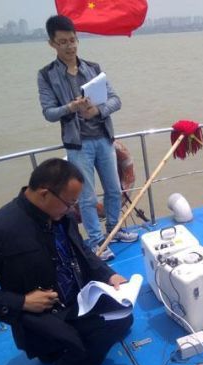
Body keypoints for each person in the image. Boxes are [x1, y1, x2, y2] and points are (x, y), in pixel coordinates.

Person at [0, 159, 134, 365]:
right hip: (41, 315)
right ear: (45, 194)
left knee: (124, 315)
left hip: (78, 300)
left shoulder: (62, 216)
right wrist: (22, 302)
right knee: (83, 339)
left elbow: (83, 252)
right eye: (69, 202)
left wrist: (109, 276)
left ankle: (73, 342)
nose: (72, 209)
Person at [37, 14, 137, 261]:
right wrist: (70, 107)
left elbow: (116, 100)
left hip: (103, 138)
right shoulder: (47, 75)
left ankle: (114, 230)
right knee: (87, 197)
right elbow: (48, 113)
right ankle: (95, 241)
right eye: (63, 42)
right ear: (52, 44)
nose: (69, 46)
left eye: (72, 40)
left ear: (77, 39)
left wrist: (97, 111)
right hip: (78, 144)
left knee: (114, 189)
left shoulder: (93, 69)